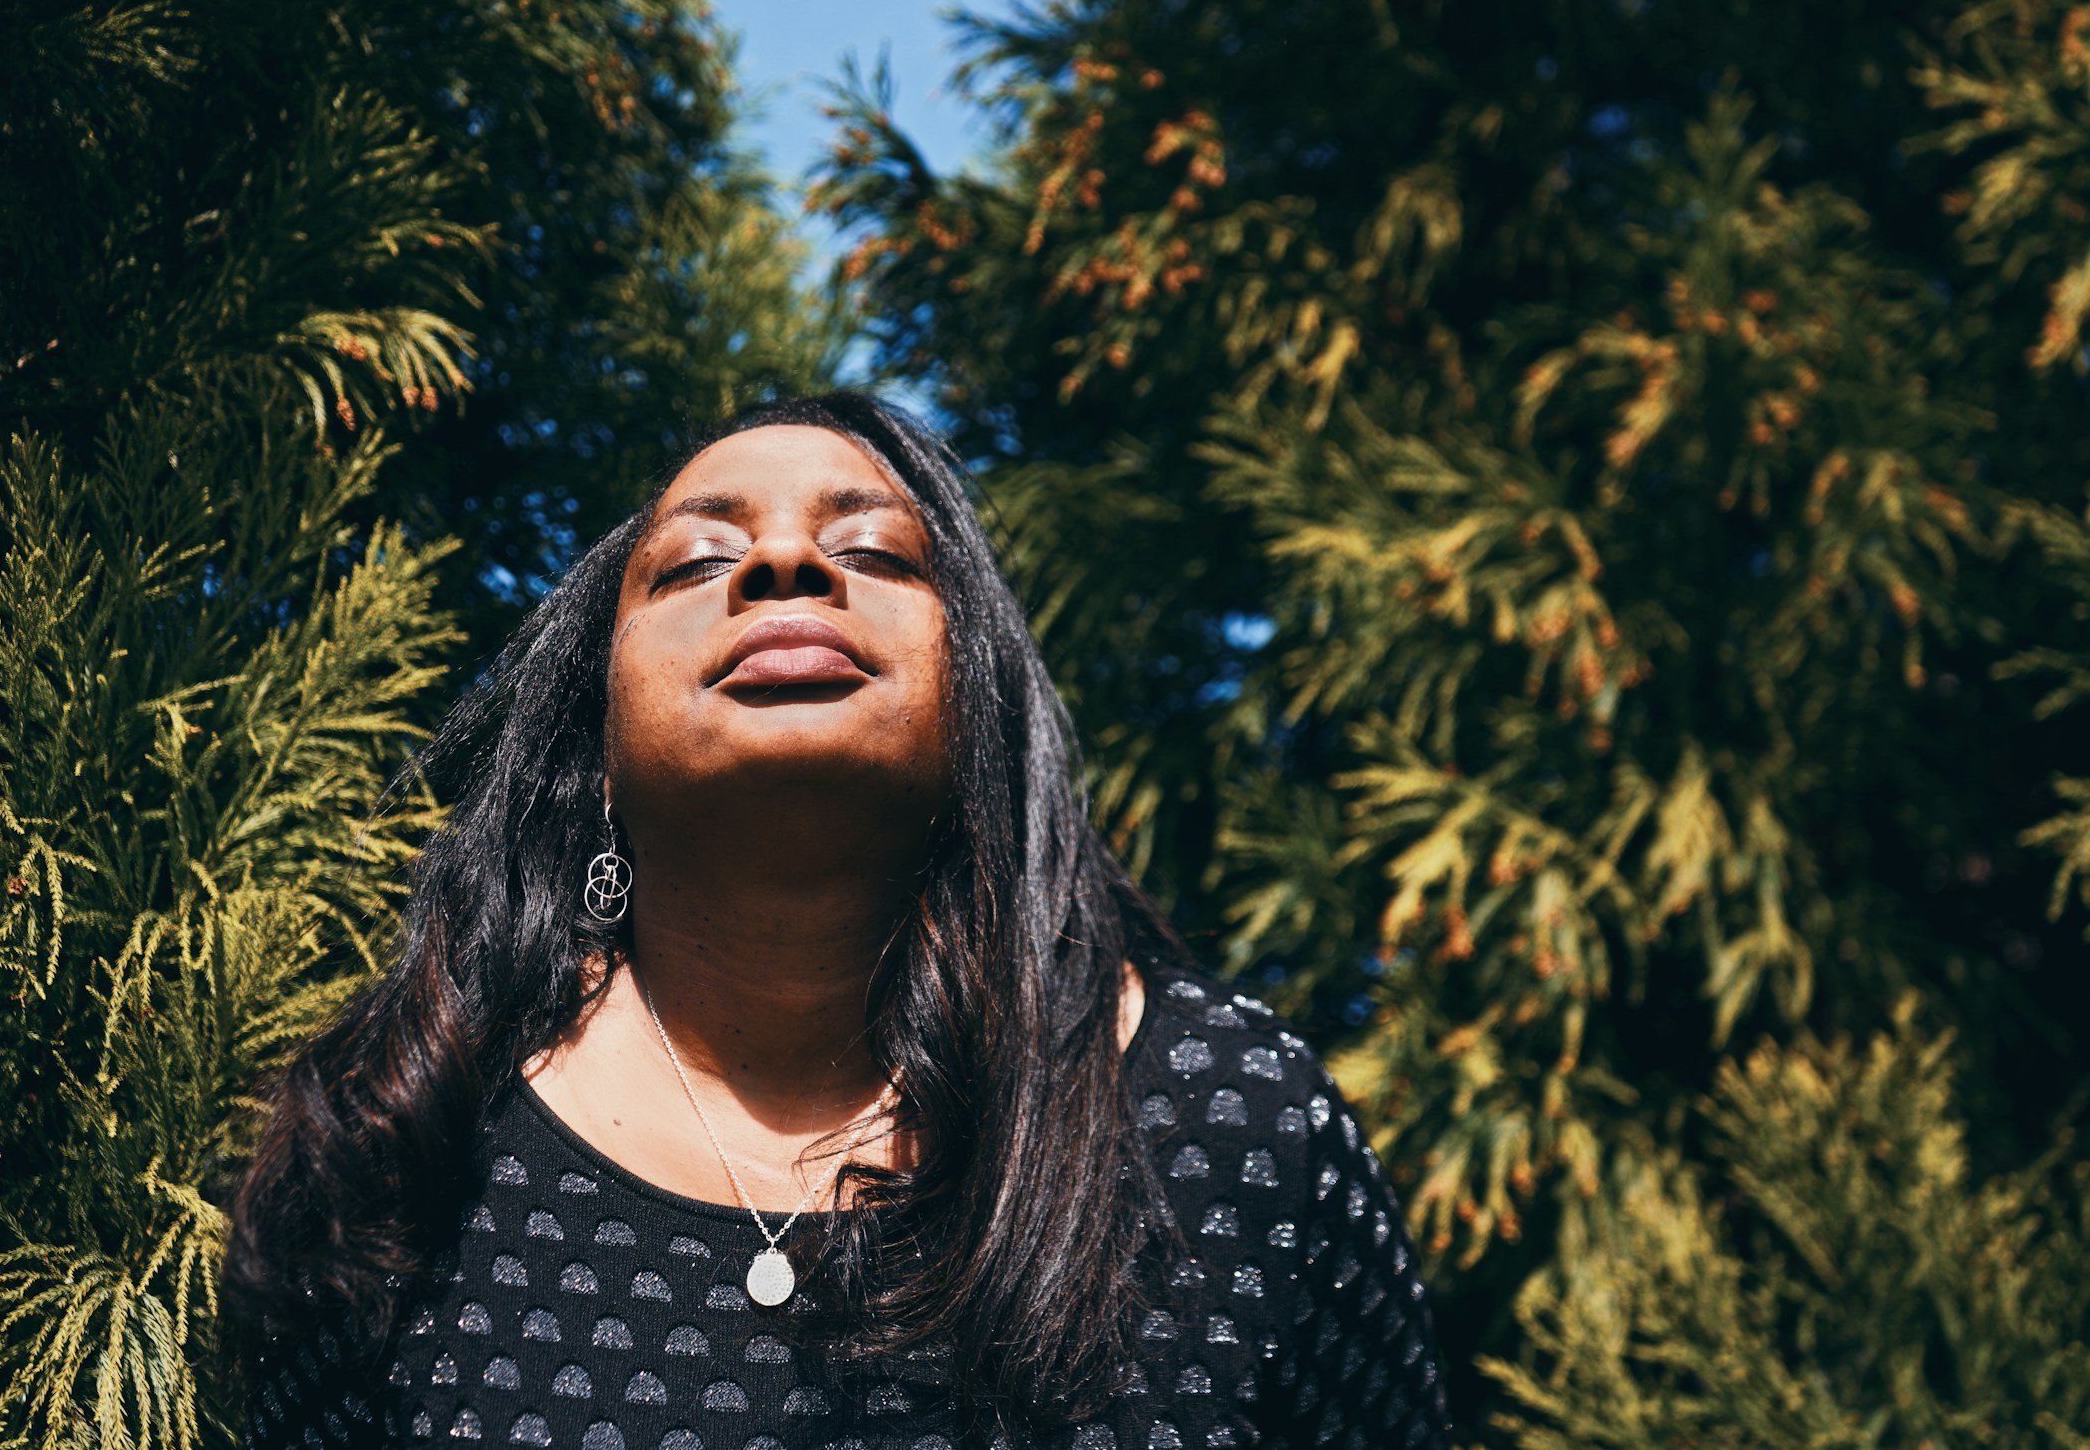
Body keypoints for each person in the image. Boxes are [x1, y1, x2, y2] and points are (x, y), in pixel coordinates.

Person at [224, 391, 1449, 1450]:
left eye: (872, 551)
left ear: (978, 708)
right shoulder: (396, 1153)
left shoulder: (1231, 1123)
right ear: (593, 750)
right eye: (698, 562)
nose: (784, 568)